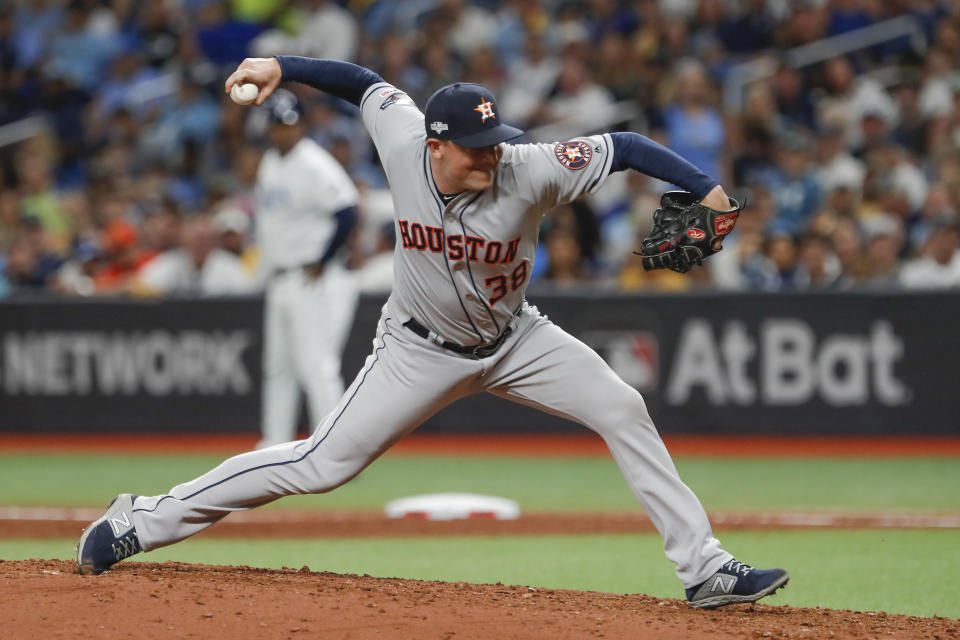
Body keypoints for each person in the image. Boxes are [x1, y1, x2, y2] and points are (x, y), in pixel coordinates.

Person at [76, 56, 788, 609]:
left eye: (495, 143)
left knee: (621, 406)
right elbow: (361, 82)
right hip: (415, 348)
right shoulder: (402, 136)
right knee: (321, 465)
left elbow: (626, 144)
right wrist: (281, 67)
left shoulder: (529, 168)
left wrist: (709, 191)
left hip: (518, 340)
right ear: (437, 145)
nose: (491, 156)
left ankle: (704, 569)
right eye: (475, 147)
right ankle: (145, 517)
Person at [253, 88, 362, 448]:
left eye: (291, 124)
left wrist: (323, 258)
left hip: (311, 276)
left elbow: (348, 212)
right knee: (278, 367)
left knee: (316, 365)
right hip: (282, 276)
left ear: (301, 125)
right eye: (278, 126)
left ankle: (334, 450)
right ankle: (274, 444)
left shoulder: (314, 163)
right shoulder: (270, 161)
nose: (284, 132)